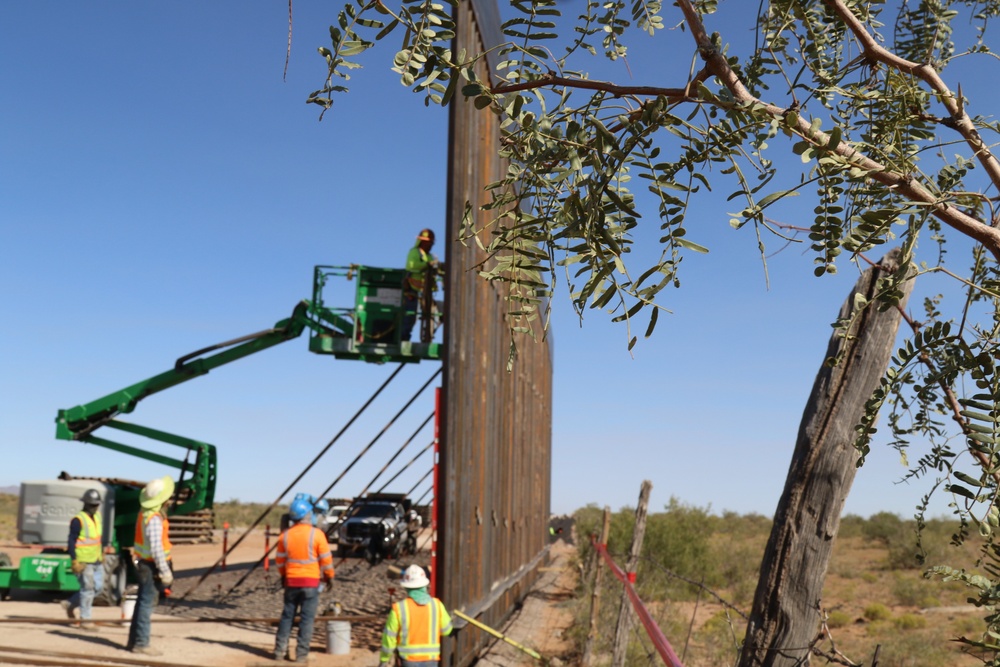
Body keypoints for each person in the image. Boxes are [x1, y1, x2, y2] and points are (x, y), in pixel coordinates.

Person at [274, 496, 336, 663]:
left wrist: (283, 576)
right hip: (310, 584)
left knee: (287, 617)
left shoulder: (285, 536)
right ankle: (301, 656)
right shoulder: (317, 535)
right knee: (307, 620)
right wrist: (329, 577)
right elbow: (326, 560)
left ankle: (280, 651)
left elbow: (279, 561)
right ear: (308, 515)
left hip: (291, 582)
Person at [126, 475, 175, 656]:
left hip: (143, 563)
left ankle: (134, 641)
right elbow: (156, 548)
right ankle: (141, 643)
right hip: (150, 566)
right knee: (147, 604)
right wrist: (165, 571)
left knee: (141, 603)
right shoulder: (154, 519)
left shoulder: (144, 513)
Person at [379, 564, 453, 666]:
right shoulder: (436, 605)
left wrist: (384, 659)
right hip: (431, 660)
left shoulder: (399, 609)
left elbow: (389, 639)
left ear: (406, 587)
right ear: (424, 585)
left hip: (408, 661)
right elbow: (447, 630)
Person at [61, 488, 104, 630]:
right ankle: (85, 619)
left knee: (98, 588)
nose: (94, 507)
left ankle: (70, 603)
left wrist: (101, 553)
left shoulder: (98, 517)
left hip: (96, 559)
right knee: (87, 589)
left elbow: (97, 538)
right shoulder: (78, 520)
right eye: (92, 505)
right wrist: (74, 560)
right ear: (85, 504)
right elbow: (71, 540)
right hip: (84, 561)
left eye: (96, 505)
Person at [402, 228, 442, 342]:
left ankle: (426, 336)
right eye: (427, 242)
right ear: (421, 242)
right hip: (412, 290)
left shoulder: (430, 256)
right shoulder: (414, 253)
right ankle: (403, 337)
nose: (429, 245)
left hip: (426, 292)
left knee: (429, 314)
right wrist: (427, 264)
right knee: (410, 315)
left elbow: (433, 269)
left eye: (430, 243)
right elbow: (412, 266)